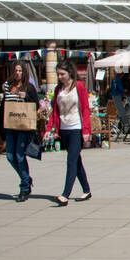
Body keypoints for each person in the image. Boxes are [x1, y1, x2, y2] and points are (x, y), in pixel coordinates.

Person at [49, 59, 92, 205]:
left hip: (76, 128)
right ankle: (86, 190)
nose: (59, 77)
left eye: (62, 74)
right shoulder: (58, 89)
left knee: (71, 161)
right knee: (76, 161)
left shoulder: (79, 86)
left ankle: (65, 194)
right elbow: (55, 110)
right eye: (58, 74)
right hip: (63, 128)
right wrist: (51, 128)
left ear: (69, 73)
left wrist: (86, 130)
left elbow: (86, 109)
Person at [0, 60, 38, 202]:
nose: (17, 73)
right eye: (15, 71)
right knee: (10, 156)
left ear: (24, 72)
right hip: (10, 125)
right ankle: (26, 178)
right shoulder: (7, 86)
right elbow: (4, 106)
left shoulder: (28, 87)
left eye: (20, 71)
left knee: (19, 155)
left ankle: (24, 187)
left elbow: (36, 105)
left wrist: (25, 97)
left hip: (23, 126)